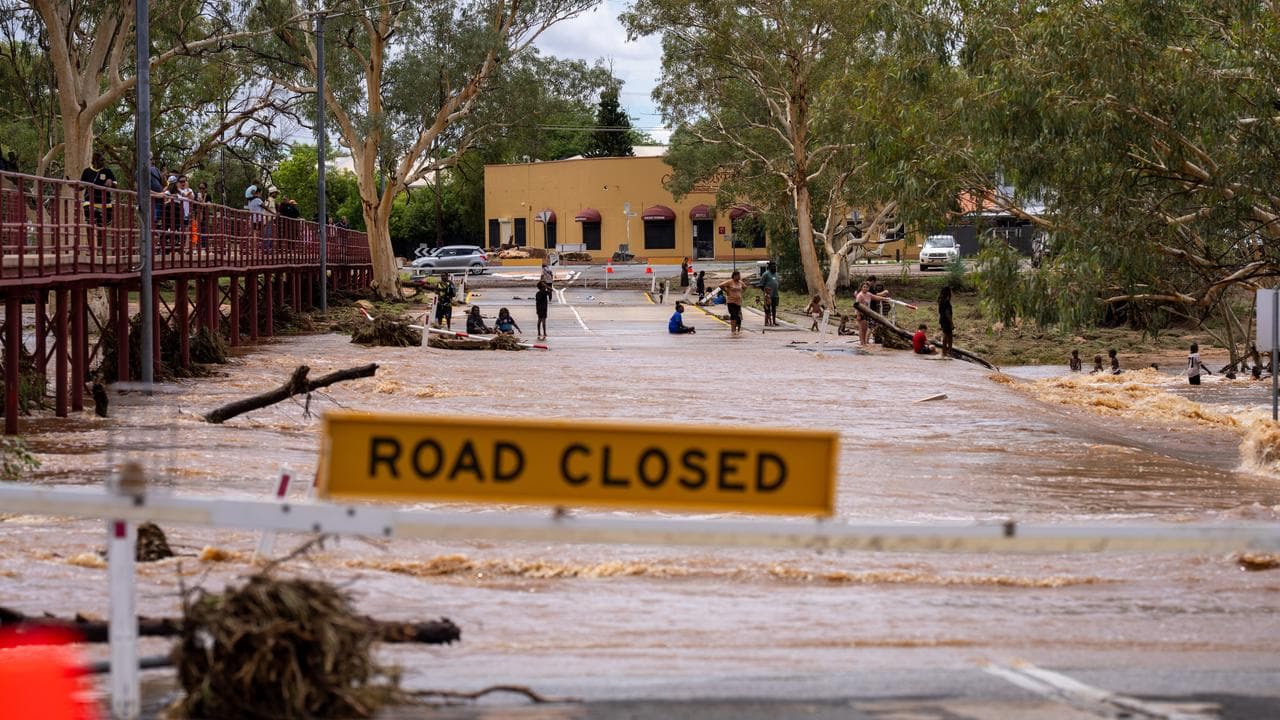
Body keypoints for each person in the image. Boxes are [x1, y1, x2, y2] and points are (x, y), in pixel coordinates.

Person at [79, 151, 117, 230]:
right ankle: (90, 242)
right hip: (89, 202)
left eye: (103, 160)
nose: (103, 162)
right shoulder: (87, 171)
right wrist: (74, 186)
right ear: (95, 161)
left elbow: (115, 185)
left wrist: (111, 183)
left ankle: (100, 242)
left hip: (105, 203)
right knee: (89, 224)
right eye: (101, 160)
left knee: (101, 228)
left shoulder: (107, 171)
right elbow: (81, 186)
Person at [854, 281, 889, 346]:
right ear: (861, 288)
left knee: (865, 328)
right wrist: (858, 315)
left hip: (867, 313)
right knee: (862, 329)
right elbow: (857, 306)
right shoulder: (859, 295)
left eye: (866, 287)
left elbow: (876, 297)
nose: (865, 288)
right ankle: (862, 343)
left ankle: (864, 342)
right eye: (864, 287)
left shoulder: (868, 294)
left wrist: (885, 299)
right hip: (861, 313)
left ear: (868, 288)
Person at [718, 270, 748, 334]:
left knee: (738, 316)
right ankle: (733, 330)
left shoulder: (740, 282)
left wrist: (741, 293)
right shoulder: (730, 282)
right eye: (738, 276)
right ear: (734, 276)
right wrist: (726, 291)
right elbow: (720, 285)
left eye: (739, 275)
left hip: (738, 301)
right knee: (733, 315)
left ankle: (737, 329)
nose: (739, 277)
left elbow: (745, 287)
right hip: (731, 301)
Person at [760, 261, 780, 326]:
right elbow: (761, 285)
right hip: (768, 296)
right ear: (769, 267)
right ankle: (767, 322)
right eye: (773, 266)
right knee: (767, 309)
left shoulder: (776, 274)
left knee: (774, 309)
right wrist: (766, 293)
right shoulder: (765, 274)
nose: (774, 267)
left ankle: (774, 321)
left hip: (775, 294)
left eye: (775, 266)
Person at [937, 285, 954, 358]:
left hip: (942, 319)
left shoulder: (940, 300)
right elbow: (947, 313)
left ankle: (946, 351)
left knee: (947, 335)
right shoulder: (947, 302)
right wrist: (951, 322)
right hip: (946, 320)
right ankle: (947, 352)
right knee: (947, 336)